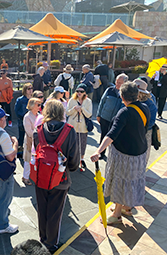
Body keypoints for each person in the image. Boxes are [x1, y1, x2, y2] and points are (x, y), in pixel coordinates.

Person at [89, 82, 151, 225]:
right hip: (140, 152)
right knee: (133, 180)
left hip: (125, 154)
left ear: (122, 96)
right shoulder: (145, 108)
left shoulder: (125, 112)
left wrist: (98, 151)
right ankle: (127, 207)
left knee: (120, 182)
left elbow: (112, 134)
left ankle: (117, 214)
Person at [38, 99, 80, 253]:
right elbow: (74, 159)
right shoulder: (69, 131)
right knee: (55, 211)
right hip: (60, 179)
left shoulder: (39, 129)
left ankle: (42, 238)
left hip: (40, 178)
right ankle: (51, 243)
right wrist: (71, 169)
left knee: (42, 209)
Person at [96, 74, 127, 159]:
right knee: (103, 136)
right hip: (105, 118)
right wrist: (98, 115)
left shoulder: (125, 95)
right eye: (116, 82)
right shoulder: (109, 90)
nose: (117, 84)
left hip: (116, 121)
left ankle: (113, 156)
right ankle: (101, 153)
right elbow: (102, 102)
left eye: (120, 83)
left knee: (114, 138)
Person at [66, 85, 92, 168]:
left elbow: (89, 114)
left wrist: (82, 109)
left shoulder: (88, 101)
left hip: (83, 126)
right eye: (78, 91)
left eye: (81, 91)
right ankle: (71, 159)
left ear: (85, 92)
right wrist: (74, 109)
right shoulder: (72, 100)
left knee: (82, 143)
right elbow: (67, 113)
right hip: (72, 125)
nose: (79, 93)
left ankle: (81, 159)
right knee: (72, 143)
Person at [22, 98, 43, 186]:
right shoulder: (27, 116)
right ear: (32, 105)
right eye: (38, 105)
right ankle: (25, 177)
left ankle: (35, 175)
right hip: (30, 141)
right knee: (28, 159)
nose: (39, 106)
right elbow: (28, 131)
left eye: (40, 105)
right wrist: (39, 135)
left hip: (38, 140)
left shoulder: (39, 115)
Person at [14, 84, 33, 150]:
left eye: (31, 88)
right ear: (25, 90)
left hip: (32, 120)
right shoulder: (20, 100)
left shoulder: (33, 99)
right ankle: (20, 150)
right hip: (22, 121)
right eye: (28, 89)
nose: (30, 90)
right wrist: (21, 117)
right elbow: (16, 110)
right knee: (21, 136)